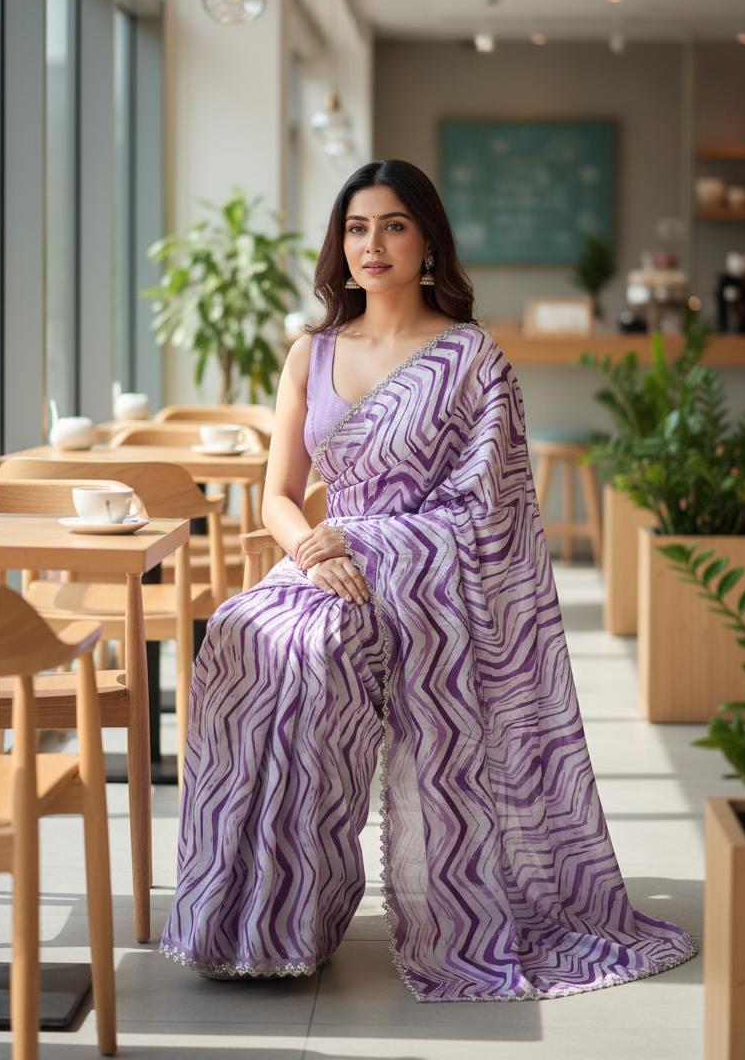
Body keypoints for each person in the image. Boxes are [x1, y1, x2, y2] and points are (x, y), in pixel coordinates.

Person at [161, 159, 696, 1002]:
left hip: (429, 584)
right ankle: (246, 917)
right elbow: (275, 498)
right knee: (240, 635)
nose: (372, 245)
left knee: (319, 648)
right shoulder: (313, 352)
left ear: (428, 244)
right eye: (356, 228)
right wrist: (315, 552)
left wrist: (366, 545)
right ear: (340, 246)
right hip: (322, 562)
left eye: (394, 226)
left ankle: (306, 910)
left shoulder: (471, 356)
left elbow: (488, 510)